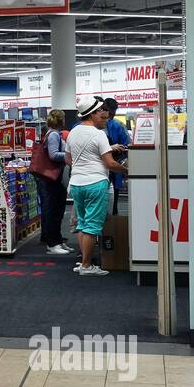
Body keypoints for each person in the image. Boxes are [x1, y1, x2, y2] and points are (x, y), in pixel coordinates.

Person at [65, 96, 127, 276]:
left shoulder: (73, 132)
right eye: (101, 113)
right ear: (92, 114)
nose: (104, 116)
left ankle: (84, 262)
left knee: (83, 224)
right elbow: (109, 163)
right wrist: (125, 170)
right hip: (95, 183)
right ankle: (86, 265)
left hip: (76, 184)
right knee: (92, 227)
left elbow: (68, 159)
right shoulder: (99, 134)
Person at [35, 109, 71, 255]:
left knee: (56, 209)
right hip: (50, 177)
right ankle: (52, 243)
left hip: (52, 178)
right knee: (52, 210)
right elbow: (53, 154)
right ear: (61, 120)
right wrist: (69, 155)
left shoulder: (52, 133)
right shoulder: (54, 135)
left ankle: (57, 240)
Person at [101, 97, 130, 215]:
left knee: (114, 199)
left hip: (114, 165)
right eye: (109, 113)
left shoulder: (118, 125)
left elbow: (126, 144)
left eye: (113, 113)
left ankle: (112, 224)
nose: (110, 116)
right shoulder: (92, 126)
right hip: (99, 168)